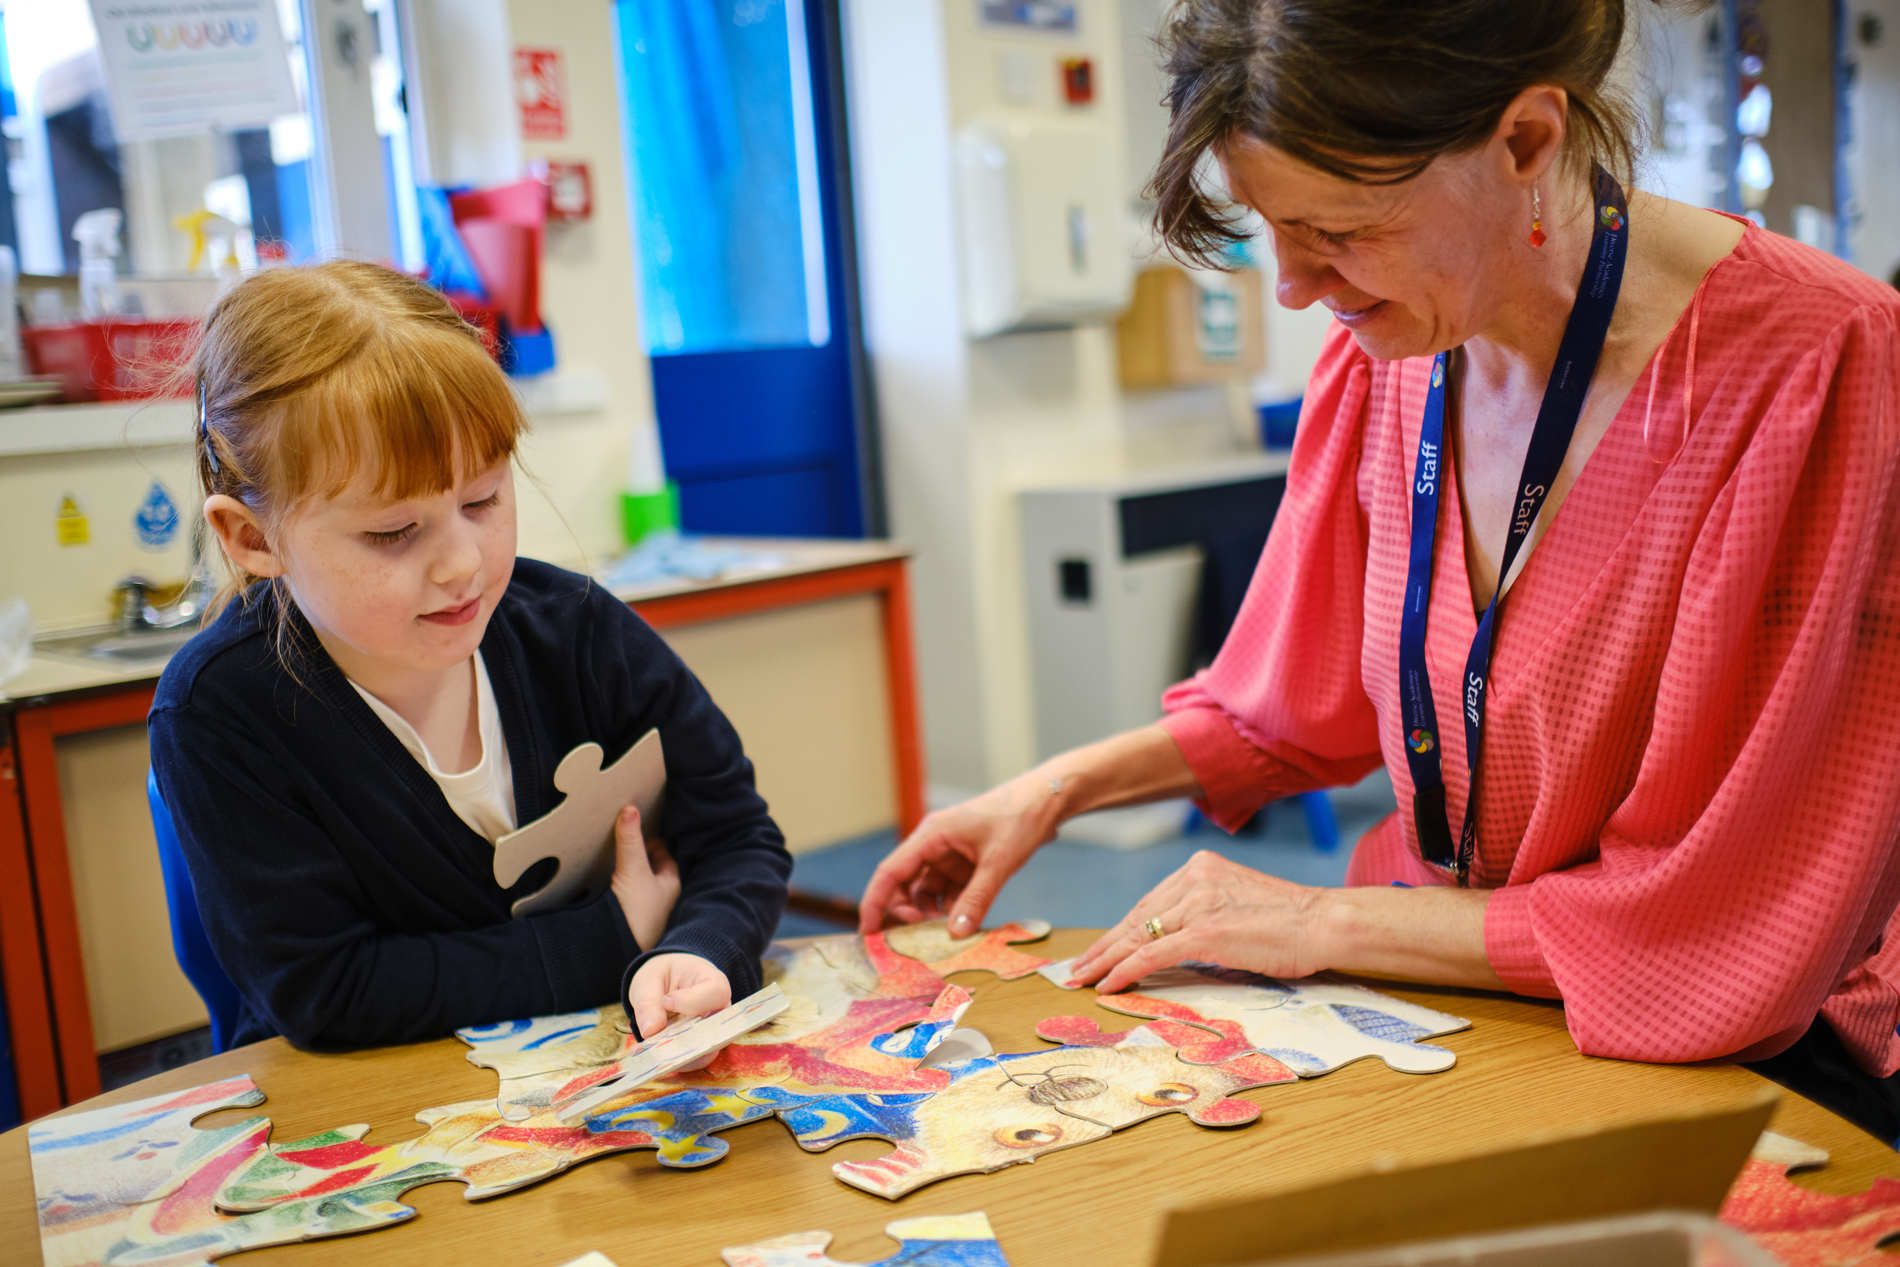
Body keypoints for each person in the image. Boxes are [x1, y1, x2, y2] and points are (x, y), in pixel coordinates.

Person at [862, 0, 1900, 1140]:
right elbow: (1285, 706)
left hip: (1737, 1047)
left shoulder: (1821, 370)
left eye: (1341, 230)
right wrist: (1049, 791)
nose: (1294, 285)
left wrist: (1323, 921)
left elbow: (1714, 928)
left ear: (1524, 141)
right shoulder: (1397, 346)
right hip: (1434, 983)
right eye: (1272, 227)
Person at [151, 260, 791, 1050]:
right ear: (252, 537)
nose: (462, 565)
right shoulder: (220, 710)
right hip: (362, 1097)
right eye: (393, 532)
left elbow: (736, 836)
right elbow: (326, 992)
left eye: (482, 498)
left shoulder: (575, 629)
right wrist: (615, 935)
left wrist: (699, 947)